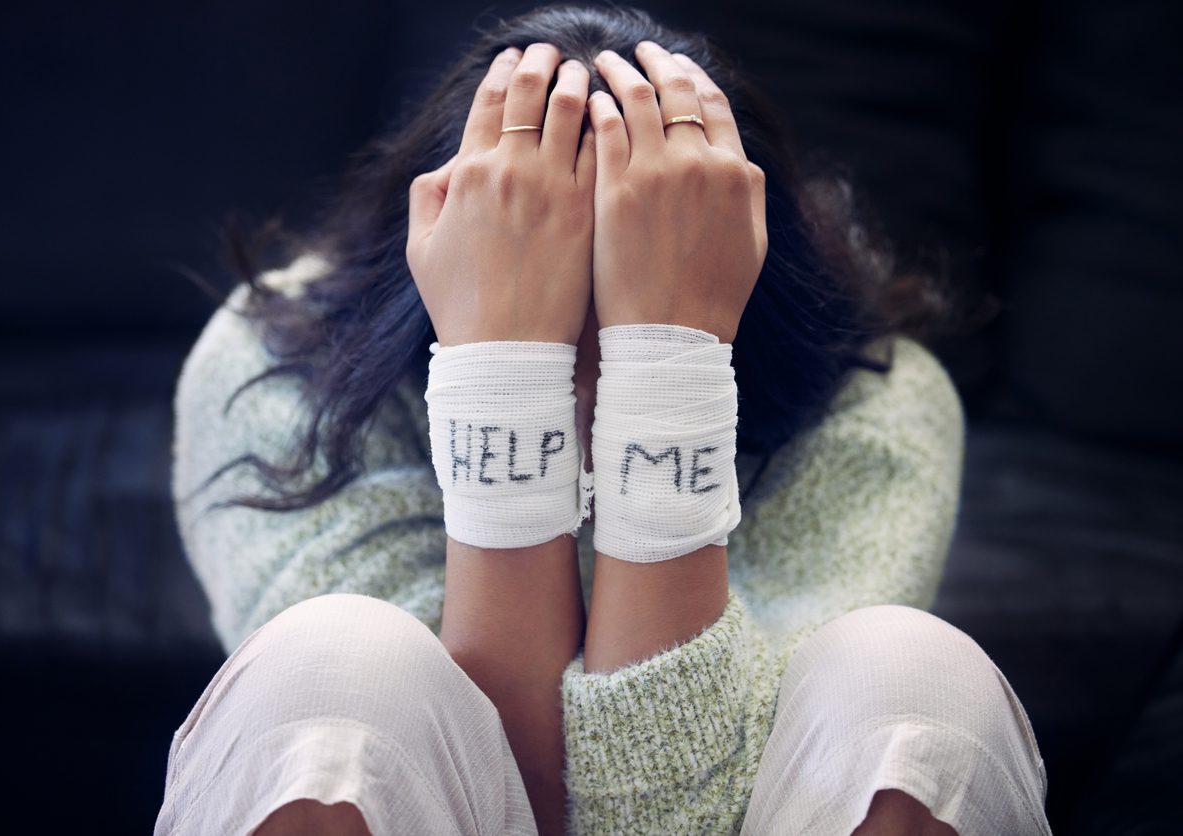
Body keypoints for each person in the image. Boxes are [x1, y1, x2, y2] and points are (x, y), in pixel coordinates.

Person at [154, 4, 1050, 834]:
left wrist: (668, 366)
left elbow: (676, 818)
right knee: (332, 663)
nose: (584, 394)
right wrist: (502, 368)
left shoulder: (876, 399)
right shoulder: (274, 368)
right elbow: (466, 791)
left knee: (915, 677)